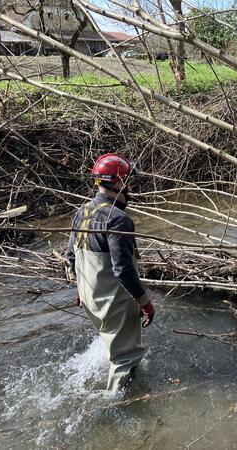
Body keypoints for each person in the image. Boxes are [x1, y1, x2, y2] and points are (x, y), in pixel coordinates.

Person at [65, 153, 155, 393]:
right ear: (118, 183)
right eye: (128, 181)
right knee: (127, 357)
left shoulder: (82, 211)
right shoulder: (118, 219)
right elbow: (123, 269)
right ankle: (114, 404)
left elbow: (71, 256)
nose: (131, 186)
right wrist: (145, 302)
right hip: (112, 301)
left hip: (88, 297)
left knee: (112, 343)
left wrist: (80, 289)